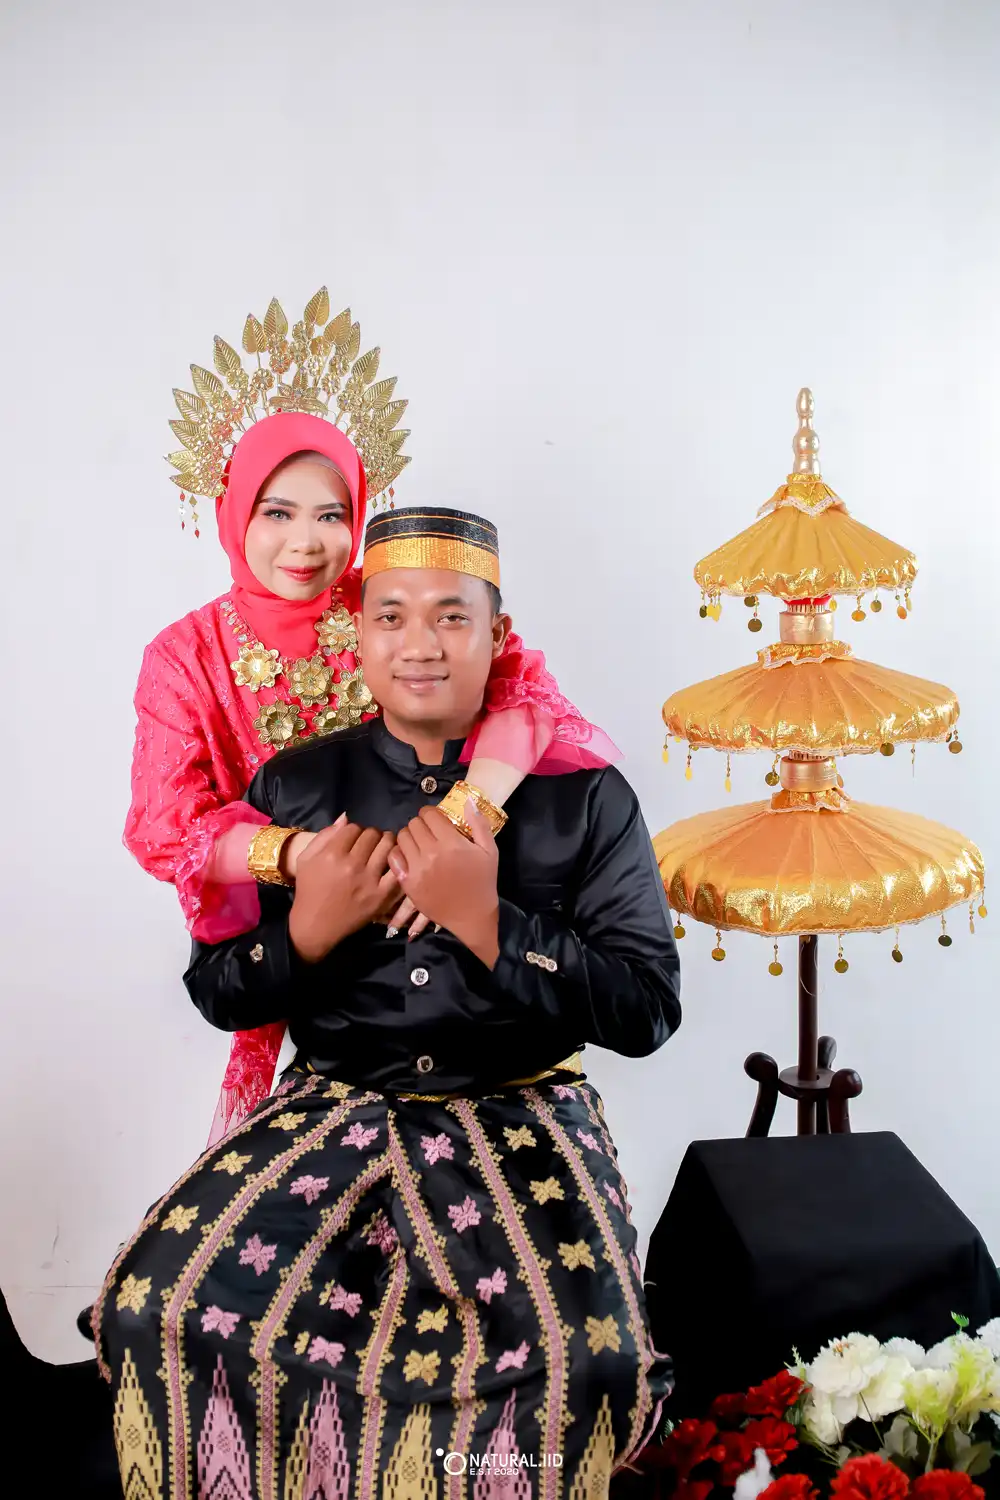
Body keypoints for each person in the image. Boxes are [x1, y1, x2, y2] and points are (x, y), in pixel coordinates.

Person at [95, 506, 681, 1498]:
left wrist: (490, 924)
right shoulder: (293, 791)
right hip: (333, 1108)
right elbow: (218, 992)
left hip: (523, 1113)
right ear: (357, 633)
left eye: (451, 616)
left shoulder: (584, 795)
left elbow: (646, 1010)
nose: (420, 645)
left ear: (498, 634)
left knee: (583, 1363)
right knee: (160, 1306)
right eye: (392, 616)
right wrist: (306, 935)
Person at [127, 288, 619, 1138]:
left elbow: (527, 696)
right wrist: (305, 860)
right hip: (304, 930)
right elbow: (166, 830)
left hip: (462, 907)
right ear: (231, 510)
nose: (305, 542)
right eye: (276, 513)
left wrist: (463, 818)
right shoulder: (186, 655)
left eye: (331, 515)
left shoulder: (391, 600)